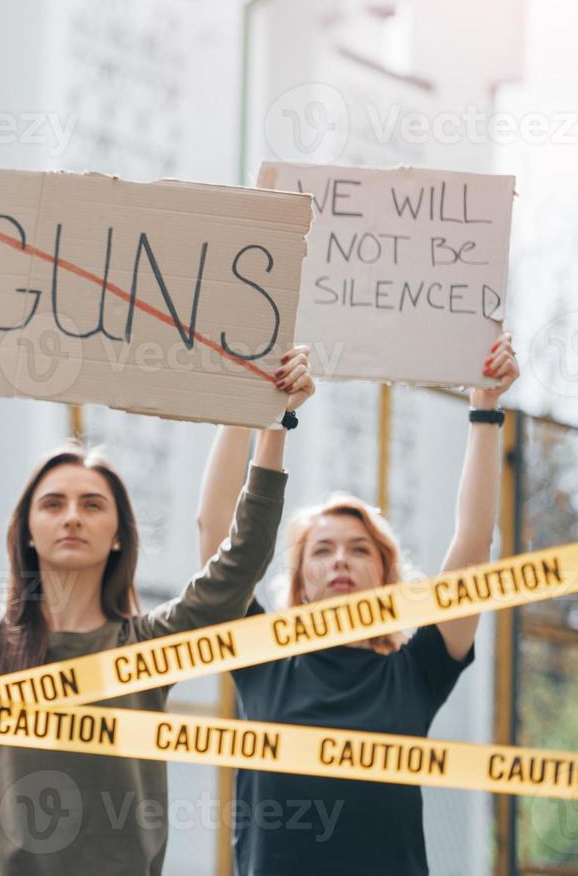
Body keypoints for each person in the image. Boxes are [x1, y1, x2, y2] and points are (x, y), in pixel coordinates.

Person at [0, 348, 313, 875]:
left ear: (116, 537)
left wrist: (273, 421)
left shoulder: (149, 648)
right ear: (28, 533)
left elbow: (238, 567)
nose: (72, 518)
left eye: (92, 504)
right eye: (53, 503)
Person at [196, 334, 519, 875]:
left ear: (384, 574)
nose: (340, 561)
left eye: (359, 549)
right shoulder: (262, 661)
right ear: (300, 583)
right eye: (322, 550)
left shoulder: (418, 670)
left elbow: (473, 543)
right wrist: (256, 405)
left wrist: (484, 410)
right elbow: (215, 531)